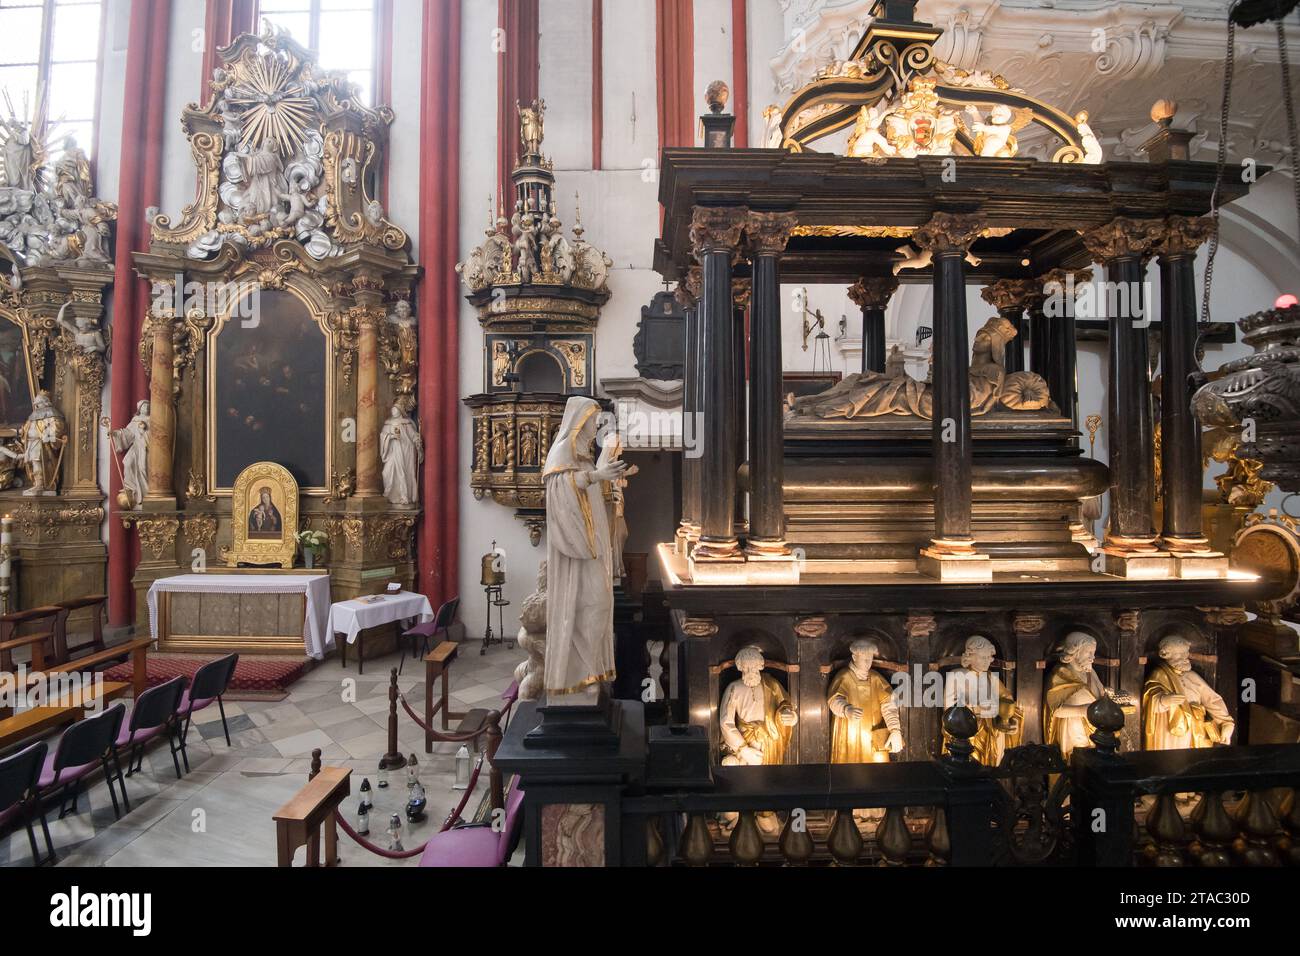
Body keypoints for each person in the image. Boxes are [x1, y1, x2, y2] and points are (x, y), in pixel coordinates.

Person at [541, 396, 626, 702]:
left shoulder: (584, 456)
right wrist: (596, 476)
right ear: (579, 421)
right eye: (593, 421)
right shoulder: (562, 452)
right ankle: (577, 674)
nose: (595, 427)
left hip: (595, 543)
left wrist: (609, 485)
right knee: (589, 604)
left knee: (600, 604)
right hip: (577, 550)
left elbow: (590, 494)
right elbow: (560, 487)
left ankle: (588, 670)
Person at [1143, 634, 1234, 750]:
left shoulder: (1192, 676)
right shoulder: (1159, 674)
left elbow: (1212, 700)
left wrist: (1226, 723)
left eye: (1186, 653)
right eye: (1179, 654)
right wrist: (1163, 700)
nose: (1185, 657)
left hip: (1196, 729)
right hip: (1169, 730)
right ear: (1165, 655)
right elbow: (1149, 698)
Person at [827, 638, 902, 763]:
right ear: (854, 657)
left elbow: (888, 705)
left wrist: (895, 730)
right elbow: (834, 700)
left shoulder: (876, 678)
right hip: (850, 734)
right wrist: (846, 709)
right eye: (865, 659)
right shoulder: (844, 676)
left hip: (874, 735)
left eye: (871, 659)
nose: (868, 663)